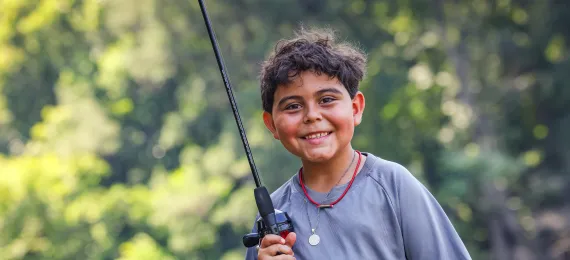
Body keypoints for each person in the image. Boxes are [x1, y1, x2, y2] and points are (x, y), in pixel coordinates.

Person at [244, 27, 471, 260]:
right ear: (271, 124)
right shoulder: (271, 215)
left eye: (327, 100)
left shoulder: (394, 186)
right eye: (293, 106)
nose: (312, 115)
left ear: (355, 108)